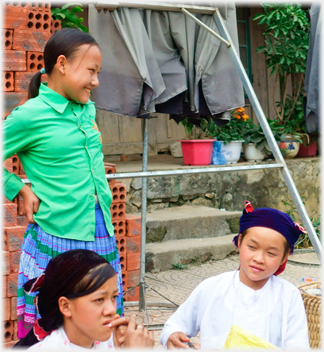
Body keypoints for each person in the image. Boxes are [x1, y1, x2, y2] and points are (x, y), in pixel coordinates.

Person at [2, 28, 124, 339]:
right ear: (62, 64)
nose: (96, 81)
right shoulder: (29, 116)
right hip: (58, 236)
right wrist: (19, 188)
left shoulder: (86, 109)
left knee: (101, 322)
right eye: (91, 71)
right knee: (52, 329)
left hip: (101, 232)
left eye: (98, 72)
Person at [160, 201, 310, 350]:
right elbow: (174, 325)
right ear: (239, 242)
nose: (259, 258)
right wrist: (173, 334)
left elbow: (298, 344)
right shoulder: (211, 288)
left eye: (271, 253)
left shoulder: (289, 296)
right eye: (252, 247)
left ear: (284, 258)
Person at [13, 249, 154, 349]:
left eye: (114, 297)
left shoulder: (114, 341)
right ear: (65, 306)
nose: (112, 310)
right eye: (99, 300)